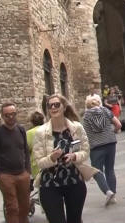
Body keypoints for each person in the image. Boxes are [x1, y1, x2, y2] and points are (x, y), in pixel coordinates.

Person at [34, 94, 98, 223]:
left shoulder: (76, 127)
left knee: (75, 220)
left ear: (64, 107)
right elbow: (39, 162)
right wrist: (52, 157)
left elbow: (85, 151)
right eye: (50, 105)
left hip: (74, 181)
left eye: (57, 104)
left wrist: (75, 156)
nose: (53, 108)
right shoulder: (41, 132)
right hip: (50, 184)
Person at [0, 103, 31, 223]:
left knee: (25, 206)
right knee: (12, 207)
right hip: (6, 175)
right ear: (2, 116)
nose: (10, 117)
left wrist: (27, 170)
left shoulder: (20, 130)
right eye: (7, 115)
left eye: (13, 114)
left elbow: (25, 149)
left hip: (22, 174)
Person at [83, 94, 122, 206]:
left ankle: (107, 192)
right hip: (110, 143)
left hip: (96, 147)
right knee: (110, 169)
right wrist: (112, 132)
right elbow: (118, 124)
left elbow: (84, 134)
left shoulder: (86, 116)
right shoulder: (105, 111)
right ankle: (113, 195)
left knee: (96, 171)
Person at [26, 111, 45, 182]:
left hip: (36, 164)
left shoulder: (29, 133)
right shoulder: (47, 129)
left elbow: (27, 150)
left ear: (32, 121)